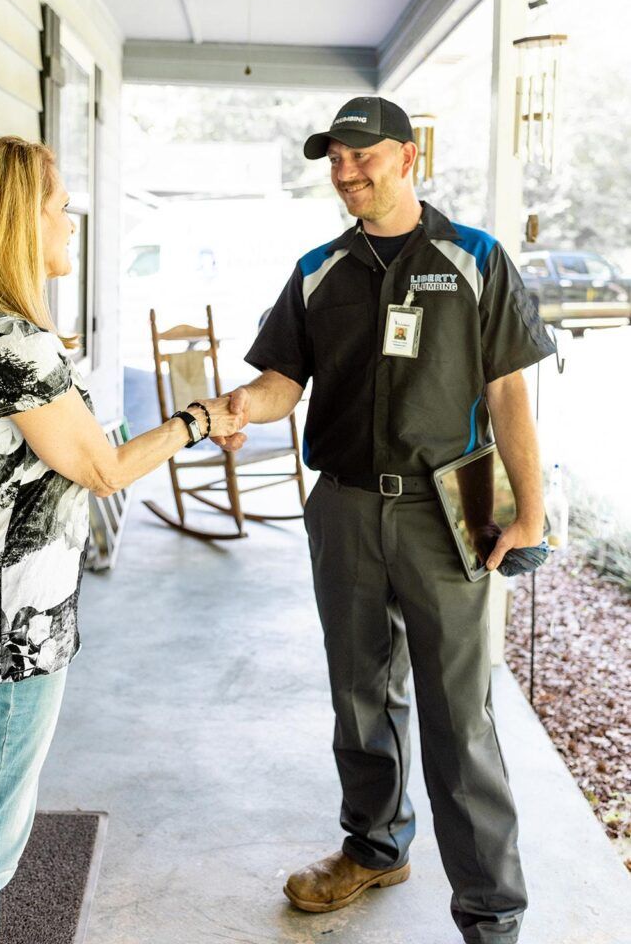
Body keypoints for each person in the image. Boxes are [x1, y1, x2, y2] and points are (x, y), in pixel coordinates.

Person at [213, 97, 556, 944]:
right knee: (360, 693)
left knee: (458, 714)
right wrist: (236, 407)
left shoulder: (474, 259)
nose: (346, 171)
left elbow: (510, 391)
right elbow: (281, 385)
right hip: (344, 504)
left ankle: (492, 913)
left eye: (362, 155)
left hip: (454, 504)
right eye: (334, 158)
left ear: (409, 156)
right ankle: (374, 846)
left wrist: (532, 515)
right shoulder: (316, 271)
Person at [0, 136, 241, 944]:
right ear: (18, 221)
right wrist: (199, 419)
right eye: (59, 209)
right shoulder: (7, 339)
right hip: (6, 626)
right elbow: (102, 468)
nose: (69, 224)